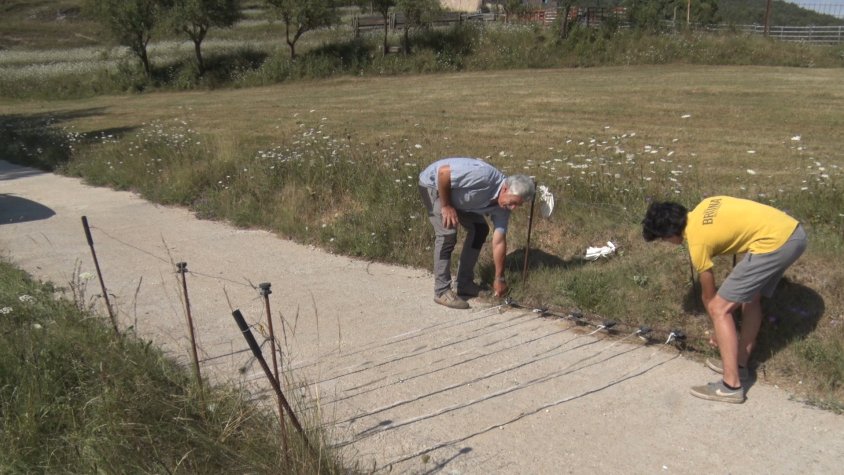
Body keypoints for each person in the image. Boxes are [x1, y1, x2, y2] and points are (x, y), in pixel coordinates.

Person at [642, 196, 807, 403]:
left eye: (663, 239)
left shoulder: (697, 241)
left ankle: (730, 385)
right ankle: (740, 364)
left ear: (669, 233)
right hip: (793, 233)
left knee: (720, 309)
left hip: (774, 242)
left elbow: (709, 296)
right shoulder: (705, 204)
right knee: (751, 297)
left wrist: (717, 330)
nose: (667, 243)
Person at [418, 158, 535, 309]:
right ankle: (441, 290)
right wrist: (446, 206)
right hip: (434, 185)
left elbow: (499, 241)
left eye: (517, 205)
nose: (512, 208)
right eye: (512, 202)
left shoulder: (503, 208)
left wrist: (499, 278)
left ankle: (464, 283)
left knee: (480, 229)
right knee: (448, 233)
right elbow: (443, 173)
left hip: (458, 197)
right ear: (505, 189)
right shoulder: (483, 176)